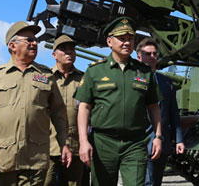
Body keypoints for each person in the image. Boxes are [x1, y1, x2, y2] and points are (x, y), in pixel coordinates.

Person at [0, 21, 72, 186]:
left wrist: (64, 144)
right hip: (4, 157)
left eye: (35, 40)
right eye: (29, 40)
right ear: (12, 45)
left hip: (35, 156)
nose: (34, 43)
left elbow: (59, 114)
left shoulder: (47, 75)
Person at [75, 17, 163, 186]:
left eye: (130, 39)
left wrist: (158, 136)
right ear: (109, 41)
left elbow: (154, 107)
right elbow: (84, 107)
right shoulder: (95, 71)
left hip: (135, 143)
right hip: (103, 143)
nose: (126, 43)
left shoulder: (144, 72)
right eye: (121, 38)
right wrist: (83, 141)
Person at [136, 38, 185, 186]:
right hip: (141, 143)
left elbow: (173, 113)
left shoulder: (165, 82)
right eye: (147, 54)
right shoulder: (132, 79)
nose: (152, 57)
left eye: (154, 54)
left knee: (156, 182)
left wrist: (179, 139)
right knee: (147, 183)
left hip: (162, 143)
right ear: (139, 57)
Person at [44, 35, 88, 186]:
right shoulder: (45, 78)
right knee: (46, 182)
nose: (69, 52)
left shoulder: (85, 79)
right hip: (48, 145)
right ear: (54, 54)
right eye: (63, 49)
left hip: (76, 144)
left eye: (72, 49)